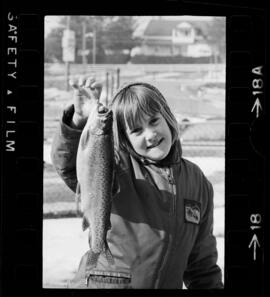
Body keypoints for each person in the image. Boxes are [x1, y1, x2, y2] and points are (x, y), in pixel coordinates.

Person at [50, 76, 224, 289]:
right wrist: (78, 121)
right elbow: (69, 165)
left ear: (168, 119)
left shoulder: (197, 182)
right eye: (137, 130)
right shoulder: (118, 167)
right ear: (125, 139)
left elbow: (202, 264)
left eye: (153, 121)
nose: (150, 135)